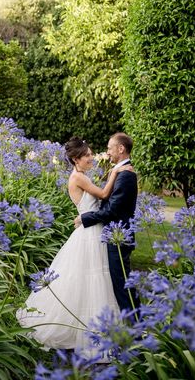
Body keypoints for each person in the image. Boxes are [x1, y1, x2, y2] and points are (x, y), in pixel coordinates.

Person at [17, 136, 132, 356]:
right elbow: (104, 194)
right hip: (89, 235)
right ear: (76, 159)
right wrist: (115, 173)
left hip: (94, 230)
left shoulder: (83, 176)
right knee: (88, 280)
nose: (91, 158)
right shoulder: (78, 178)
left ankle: (101, 328)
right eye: (87, 155)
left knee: (97, 280)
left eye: (90, 154)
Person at [74, 132, 139, 318]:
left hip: (119, 237)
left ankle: (136, 326)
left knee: (123, 283)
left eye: (110, 148)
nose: (107, 152)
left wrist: (84, 219)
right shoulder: (119, 171)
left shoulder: (126, 175)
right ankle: (134, 323)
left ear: (121, 148)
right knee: (121, 282)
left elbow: (112, 210)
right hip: (112, 234)